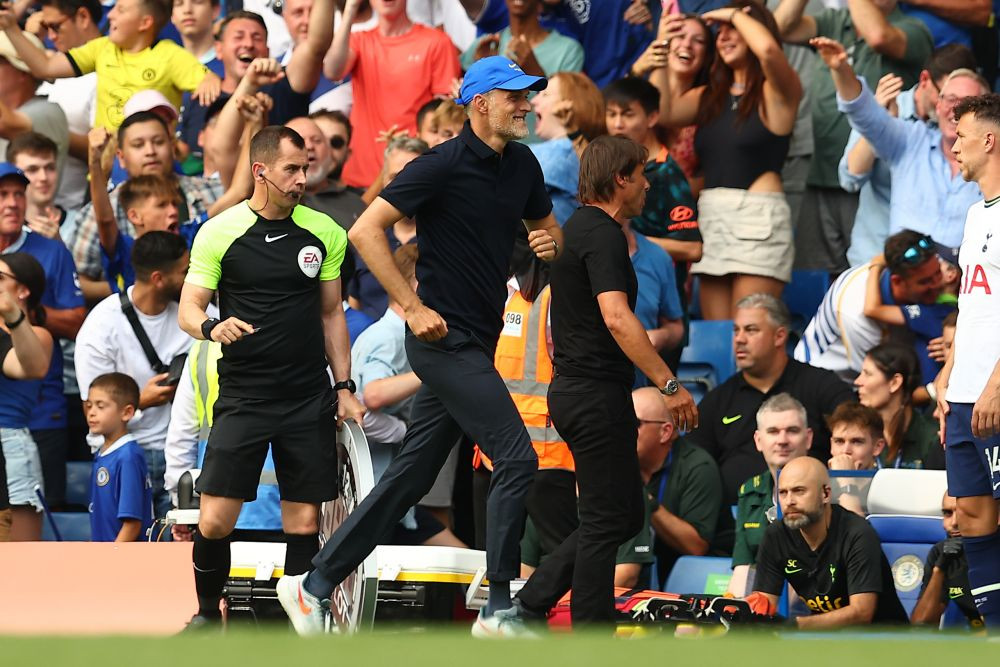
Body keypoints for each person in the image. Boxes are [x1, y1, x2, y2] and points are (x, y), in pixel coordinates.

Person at [275, 56, 562, 635]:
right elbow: (363, 230)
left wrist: (549, 245)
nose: (527, 105)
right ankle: (500, 605)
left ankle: (314, 584)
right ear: (480, 103)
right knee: (517, 457)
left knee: (408, 477)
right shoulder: (443, 163)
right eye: (516, 97)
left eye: (530, 96)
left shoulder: (525, 164)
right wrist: (410, 305)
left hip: (475, 343)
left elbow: (548, 232)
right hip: (442, 340)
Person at [507, 134, 697, 631]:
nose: (649, 187)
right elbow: (617, 318)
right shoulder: (605, 234)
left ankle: (531, 604)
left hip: (584, 392)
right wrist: (669, 386)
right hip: (593, 395)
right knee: (604, 518)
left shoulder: (582, 229)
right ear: (621, 179)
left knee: (621, 514)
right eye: (643, 175)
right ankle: (584, 631)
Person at [177, 125, 364, 629]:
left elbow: (331, 315)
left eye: (305, 168)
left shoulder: (324, 231)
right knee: (215, 520)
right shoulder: (220, 231)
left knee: (302, 523)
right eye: (292, 169)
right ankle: (204, 616)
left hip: (306, 396)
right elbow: (189, 310)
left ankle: (290, 632)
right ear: (261, 171)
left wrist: (343, 387)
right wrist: (214, 326)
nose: (303, 177)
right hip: (244, 394)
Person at [651, 4, 802, 319]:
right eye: (721, 33)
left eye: (735, 30)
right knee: (719, 334)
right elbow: (663, 111)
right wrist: (664, 42)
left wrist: (732, 14)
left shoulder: (777, 92)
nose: (725, 37)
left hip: (757, 216)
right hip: (713, 216)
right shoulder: (710, 96)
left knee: (750, 329)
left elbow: (770, 52)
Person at [774, 0, 933, 275]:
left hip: (873, 184)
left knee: (868, 277)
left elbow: (878, 36)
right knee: (815, 280)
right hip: (821, 172)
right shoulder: (837, 21)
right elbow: (781, 28)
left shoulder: (914, 28)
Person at [814, 36, 986, 250]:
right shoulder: (909, 133)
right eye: (949, 99)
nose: (956, 110)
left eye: (967, 104)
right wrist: (843, 72)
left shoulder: (988, 158)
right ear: (938, 101)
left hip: (958, 276)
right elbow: (851, 174)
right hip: (879, 254)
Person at [687, 293, 854, 504]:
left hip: (811, 517)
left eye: (751, 330)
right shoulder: (719, 399)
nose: (739, 339)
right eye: (736, 330)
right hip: (734, 524)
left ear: (779, 336)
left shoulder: (820, 385)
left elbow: (856, 429)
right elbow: (692, 462)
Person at [936, 92, 1000, 631]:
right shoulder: (976, 214)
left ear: (990, 140)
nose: (953, 146)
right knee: (973, 515)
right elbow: (971, 305)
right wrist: (947, 373)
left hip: (995, 393)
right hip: (964, 394)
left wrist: (995, 385)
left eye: (961, 136)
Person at [75, 232, 194, 523]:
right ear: (157, 278)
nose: (192, 280)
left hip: (181, 454)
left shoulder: (198, 317)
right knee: (122, 552)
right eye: (184, 272)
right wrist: (141, 400)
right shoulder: (102, 325)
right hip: (123, 454)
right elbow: (91, 407)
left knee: (177, 558)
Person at [0, 161, 85, 510]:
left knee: (37, 522)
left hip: (41, 408)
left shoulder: (51, 250)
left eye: (19, 194)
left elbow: (78, 322)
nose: (12, 202)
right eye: (2, 194)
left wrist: (25, 312)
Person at [70, 111, 222, 303]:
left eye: (158, 142)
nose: (150, 151)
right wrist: (126, 287)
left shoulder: (191, 223)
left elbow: (240, 191)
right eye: (138, 145)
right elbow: (105, 221)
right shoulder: (118, 237)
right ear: (121, 157)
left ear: (172, 147)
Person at [603, 76, 701, 370]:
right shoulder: (610, 167)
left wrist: (632, 240)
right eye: (611, 114)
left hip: (661, 312)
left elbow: (693, 248)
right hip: (624, 303)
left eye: (628, 114)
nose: (618, 124)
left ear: (653, 117)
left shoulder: (666, 174)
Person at [0, 0, 220, 130]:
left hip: (150, 169)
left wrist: (209, 80)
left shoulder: (171, 55)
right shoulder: (102, 48)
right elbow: (45, 67)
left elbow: (210, 82)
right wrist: (11, 27)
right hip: (102, 173)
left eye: (121, 10)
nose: (111, 15)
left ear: (145, 23)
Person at [750, 457, 909, 627]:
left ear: (825, 494)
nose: (789, 501)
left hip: (882, 640)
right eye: (783, 493)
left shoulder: (858, 533)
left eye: (799, 491)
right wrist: (747, 614)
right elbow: (763, 603)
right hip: (825, 639)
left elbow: (862, 612)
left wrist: (795, 626)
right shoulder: (776, 536)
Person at [325, 0, 462, 188]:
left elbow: (444, 114)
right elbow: (332, 71)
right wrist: (349, 10)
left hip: (412, 173)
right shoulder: (359, 40)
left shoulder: (437, 41)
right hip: (360, 174)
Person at [185, 6, 333, 163]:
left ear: (267, 51)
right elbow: (184, 155)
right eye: (238, 37)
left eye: (257, 38)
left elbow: (316, 46)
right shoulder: (202, 96)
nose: (248, 44)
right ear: (219, 49)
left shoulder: (282, 81)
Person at [794, 230, 944, 382]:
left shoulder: (893, 269)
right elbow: (881, 383)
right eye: (925, 282)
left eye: (938, 273)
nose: (938, 284)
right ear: (897, 281)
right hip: (823, 380)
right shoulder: (856, 312)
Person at [633, 386, 726, 588]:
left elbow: (696, 546)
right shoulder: (617, 462)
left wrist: (645, 500)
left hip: (689, 584)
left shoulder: (698, 466)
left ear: (665, 432)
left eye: (634, 423)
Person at [727, 393, 813, 597]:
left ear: (808, 438)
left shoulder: (824, 491)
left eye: (792, 431)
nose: (782, 440)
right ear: (758, 440)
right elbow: (743, 569)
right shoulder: (749, 491)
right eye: (773, 431)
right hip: (761, 605)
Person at [462, 0, 584, 143]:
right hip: (491, 153)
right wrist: (482, 72)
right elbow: (460, 103)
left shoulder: (568, 50)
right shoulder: (487, 45)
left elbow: (570, 110)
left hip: (542, 152)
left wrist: (537, 72)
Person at [0, 252, 53, 540]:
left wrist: (12, 316)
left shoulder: (39, 335)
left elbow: (33, 365)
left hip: (11, 447)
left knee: (19, 553)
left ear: (23, 290)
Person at [630, 13, 713, 190]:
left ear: (707, 56)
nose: (687, 44)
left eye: (698, 40)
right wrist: (636, 71)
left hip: (684, 206)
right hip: (633, 207)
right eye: (680, 36)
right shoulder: (640, 87)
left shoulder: (710, 98)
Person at [33, 0, 101, 209]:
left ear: (83, 17)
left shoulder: (106, 74)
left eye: (55, 27)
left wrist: (47, 129)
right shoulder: (54, 70)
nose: (51, 37)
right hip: (36, 210)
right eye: (47, 28)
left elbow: (104, 149)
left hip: (77, 210)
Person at [347, 137, 422, 321]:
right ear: (382, 183)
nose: (404, 184)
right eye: (395, 177)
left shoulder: (445, 239)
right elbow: (354, 305)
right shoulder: (365, 237)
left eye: (412, 175)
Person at [864, 248, 957, 387]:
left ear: (950, 274)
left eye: (937, 268)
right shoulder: (957, 309)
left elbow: (873, 309)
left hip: (926, 395)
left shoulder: (932, 312)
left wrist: (876, 266)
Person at [85, 372, 153, 543]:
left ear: (127, 413)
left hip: (122, 561)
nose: (91, 413)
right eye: (89, 405)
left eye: (100, 406)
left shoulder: (127, 456)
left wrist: (112, 560)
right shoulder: (103, 453)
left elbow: (132, 524)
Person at [855, 342, 944, 469]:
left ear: (894, 383)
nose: (857, 381)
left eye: (867, 374)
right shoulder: (859, 436)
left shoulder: (931, 440)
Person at [911, 492, 984, 628]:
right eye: (947, 513)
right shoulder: (941, 553)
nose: (954, 523)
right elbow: (922, 623)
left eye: (965, 513)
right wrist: (939, 570)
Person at [285, 116, 367, 232]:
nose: (309, 146)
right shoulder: (271, 200)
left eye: (317, 140)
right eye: (299, 141)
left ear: (329, 150)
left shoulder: (355, 202)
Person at [826, 401, 885, 516]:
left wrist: (846, 479)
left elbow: (859, 533)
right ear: (831, 445)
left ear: (877, 447)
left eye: (857, 442)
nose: (846, 450)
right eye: (839, 441)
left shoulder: (889, 488)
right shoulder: (818, 485)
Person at [171, 0, 221, 68]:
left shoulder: (231, 64)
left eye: (197, 2)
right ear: (171, 15)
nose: (187, 10)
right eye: (179, 3)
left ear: (215, 10)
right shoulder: (166, 67)